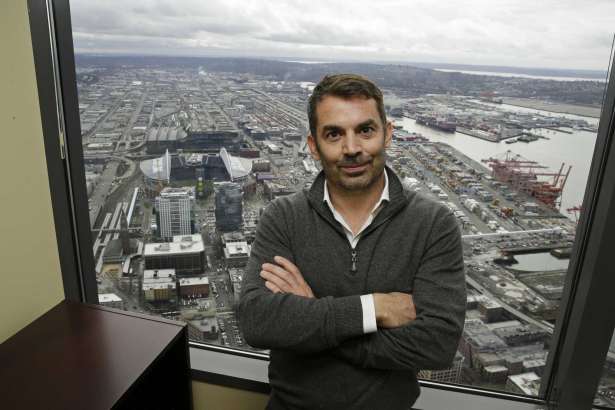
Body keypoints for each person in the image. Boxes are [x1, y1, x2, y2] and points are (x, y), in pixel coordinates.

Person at [237, 73, 466, 410]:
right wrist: (374, 308)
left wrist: (313, 314)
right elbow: (257, 321)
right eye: (334, 134)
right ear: (313, 145)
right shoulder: (283, 216)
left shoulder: (433, 224)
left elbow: (436, 344)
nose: (352, 149)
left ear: (387, 134)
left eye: (365, 130)